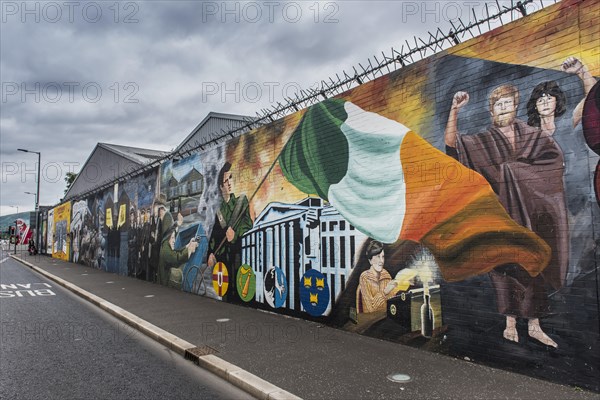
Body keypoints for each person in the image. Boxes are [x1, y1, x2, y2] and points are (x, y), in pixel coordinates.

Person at [445, 83, 568, 348]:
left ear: (515, 105)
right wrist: (454, 110)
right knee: (505, 269)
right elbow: (452, 145)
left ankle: (534, 325)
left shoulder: (531, 136)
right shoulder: (482, 141)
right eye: (498, 104)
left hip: (532, 217)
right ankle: (510, 323)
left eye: (508, 103)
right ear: (492, 110)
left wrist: (516, 172)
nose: (504, 108)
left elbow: (553, 160)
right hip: (502, 217)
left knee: (535, 262)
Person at [207, 162, 253, 302]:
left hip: (237, 256)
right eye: (226, 181)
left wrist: (235, 234)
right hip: (222, 260)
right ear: (221, 187)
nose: (229, 183)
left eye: (231, 178)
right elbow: (214, 235)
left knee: (239, 294)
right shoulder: (219, 211)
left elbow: (248, 223)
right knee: (225, 295)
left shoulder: (241, 202)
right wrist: (210, 253)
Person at [356, 240, 396, 313]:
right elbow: (371, 309)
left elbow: (392, 304)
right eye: (378, 257)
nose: (381, 261)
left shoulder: (386, 275)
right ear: (370, 260)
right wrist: (385, 292)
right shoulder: (365, 277)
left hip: (385, 318)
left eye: (383, 257)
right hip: (370, 320)